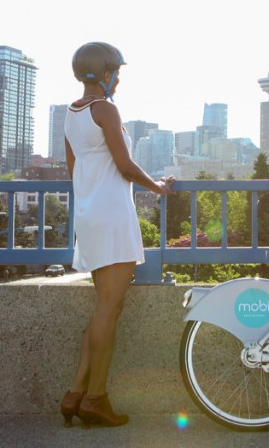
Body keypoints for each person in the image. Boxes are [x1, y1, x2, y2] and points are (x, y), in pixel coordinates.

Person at [59, 41, 174, 428]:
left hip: (89, 216)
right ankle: (95, 398)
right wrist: (158, 187)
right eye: (116, 72)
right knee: (108, 310)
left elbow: (73, 170)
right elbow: (124, 165)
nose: (119, 79)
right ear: (103, 73)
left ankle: (75, 393)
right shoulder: (105, 109)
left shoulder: (70, 114)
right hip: (112, 216)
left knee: (106, 308)